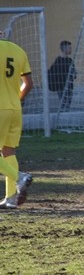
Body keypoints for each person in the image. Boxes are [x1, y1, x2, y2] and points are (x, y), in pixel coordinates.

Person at [0, 37, 34, 209]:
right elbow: (28, 84)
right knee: (8, 151)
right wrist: (15, 100)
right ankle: (11, 198)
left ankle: (19, 177)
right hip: (15, 108)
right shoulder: (18, 50)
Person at [48, 40, 76, 112]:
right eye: (69, 48)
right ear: (64, 49)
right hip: (61, 87)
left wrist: (74, 74)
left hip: (69, 86)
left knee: (68, 103)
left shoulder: (70, 60)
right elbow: (53, 74)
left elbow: (74, 72)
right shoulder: (58, 61)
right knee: (63, 103)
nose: (71, 50)